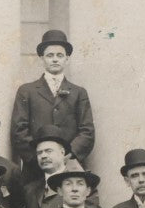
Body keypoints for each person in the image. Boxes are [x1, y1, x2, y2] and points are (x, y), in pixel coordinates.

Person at [11, 29, 94, 176]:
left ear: (67, 59)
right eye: (50, 55)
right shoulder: (26, 91)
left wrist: (67, 156)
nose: (55, 59)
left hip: (69, 166)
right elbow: (19, 131)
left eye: (59, 55)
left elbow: (87, 132)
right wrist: (39, 157)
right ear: (42, 58)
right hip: (36, 168)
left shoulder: (78, 92)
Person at [22, 126, 100, 208]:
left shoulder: (83, 185)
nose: (43, 156)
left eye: (49, 151)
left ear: (62, 152)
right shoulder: (29, 191)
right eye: (39, 153)